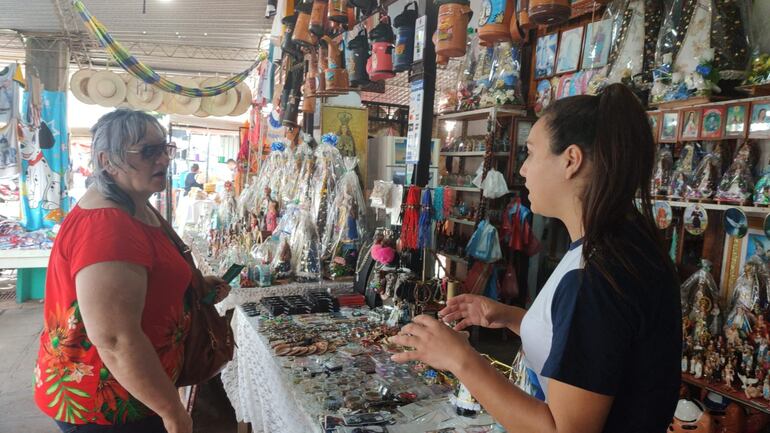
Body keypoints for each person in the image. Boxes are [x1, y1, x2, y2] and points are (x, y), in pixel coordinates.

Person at [391, 84, 681, 433]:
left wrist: (460, 358)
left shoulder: (598, 275)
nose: (523, 170)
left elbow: (562, 430)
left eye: (530, 153)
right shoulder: (619, 244)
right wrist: (513, 318)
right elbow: (595, 342)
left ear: (571, 161)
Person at [34, 109, 231, 433]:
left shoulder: (134, 203)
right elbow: (114, 339)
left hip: (134, 392)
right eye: (148, 151)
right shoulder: (109, 227)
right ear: (106, 160)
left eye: (164, 149)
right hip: (109, 404)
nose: (164, 160)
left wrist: (189, 287)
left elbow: (141, 279)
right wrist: (173, 412)